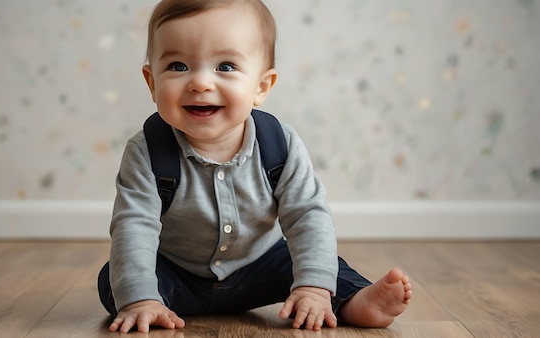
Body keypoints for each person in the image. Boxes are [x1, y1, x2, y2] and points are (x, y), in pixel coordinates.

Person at [98, 0, 412, 333]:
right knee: (117, 279)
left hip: (262, 267)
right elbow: (135, 225)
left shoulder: (279, 144)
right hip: (179, 276)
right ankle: (149, 304)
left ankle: (354, 302)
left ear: (261, 87)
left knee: (319, 267)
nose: (201, 83)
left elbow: (308, 215)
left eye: (225, 66)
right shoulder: (147, 150)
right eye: (178, 66)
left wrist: (313, 286)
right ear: (152, 82)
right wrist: (140, 297)